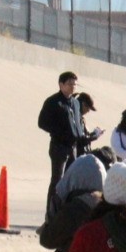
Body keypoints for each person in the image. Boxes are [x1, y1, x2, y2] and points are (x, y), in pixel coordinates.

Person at [37, 71, 84, 217]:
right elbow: (42, 123)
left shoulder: (75, 103)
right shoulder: (53, 102)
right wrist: (60, 132)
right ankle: (50, 213)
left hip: (73, 147)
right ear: (61, 84)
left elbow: (78, 122)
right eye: (70, 84)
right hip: (59, 146)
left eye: (75, 84)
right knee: (57, 180)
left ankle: (65, 212)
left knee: (72, 181)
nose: (72, 87)